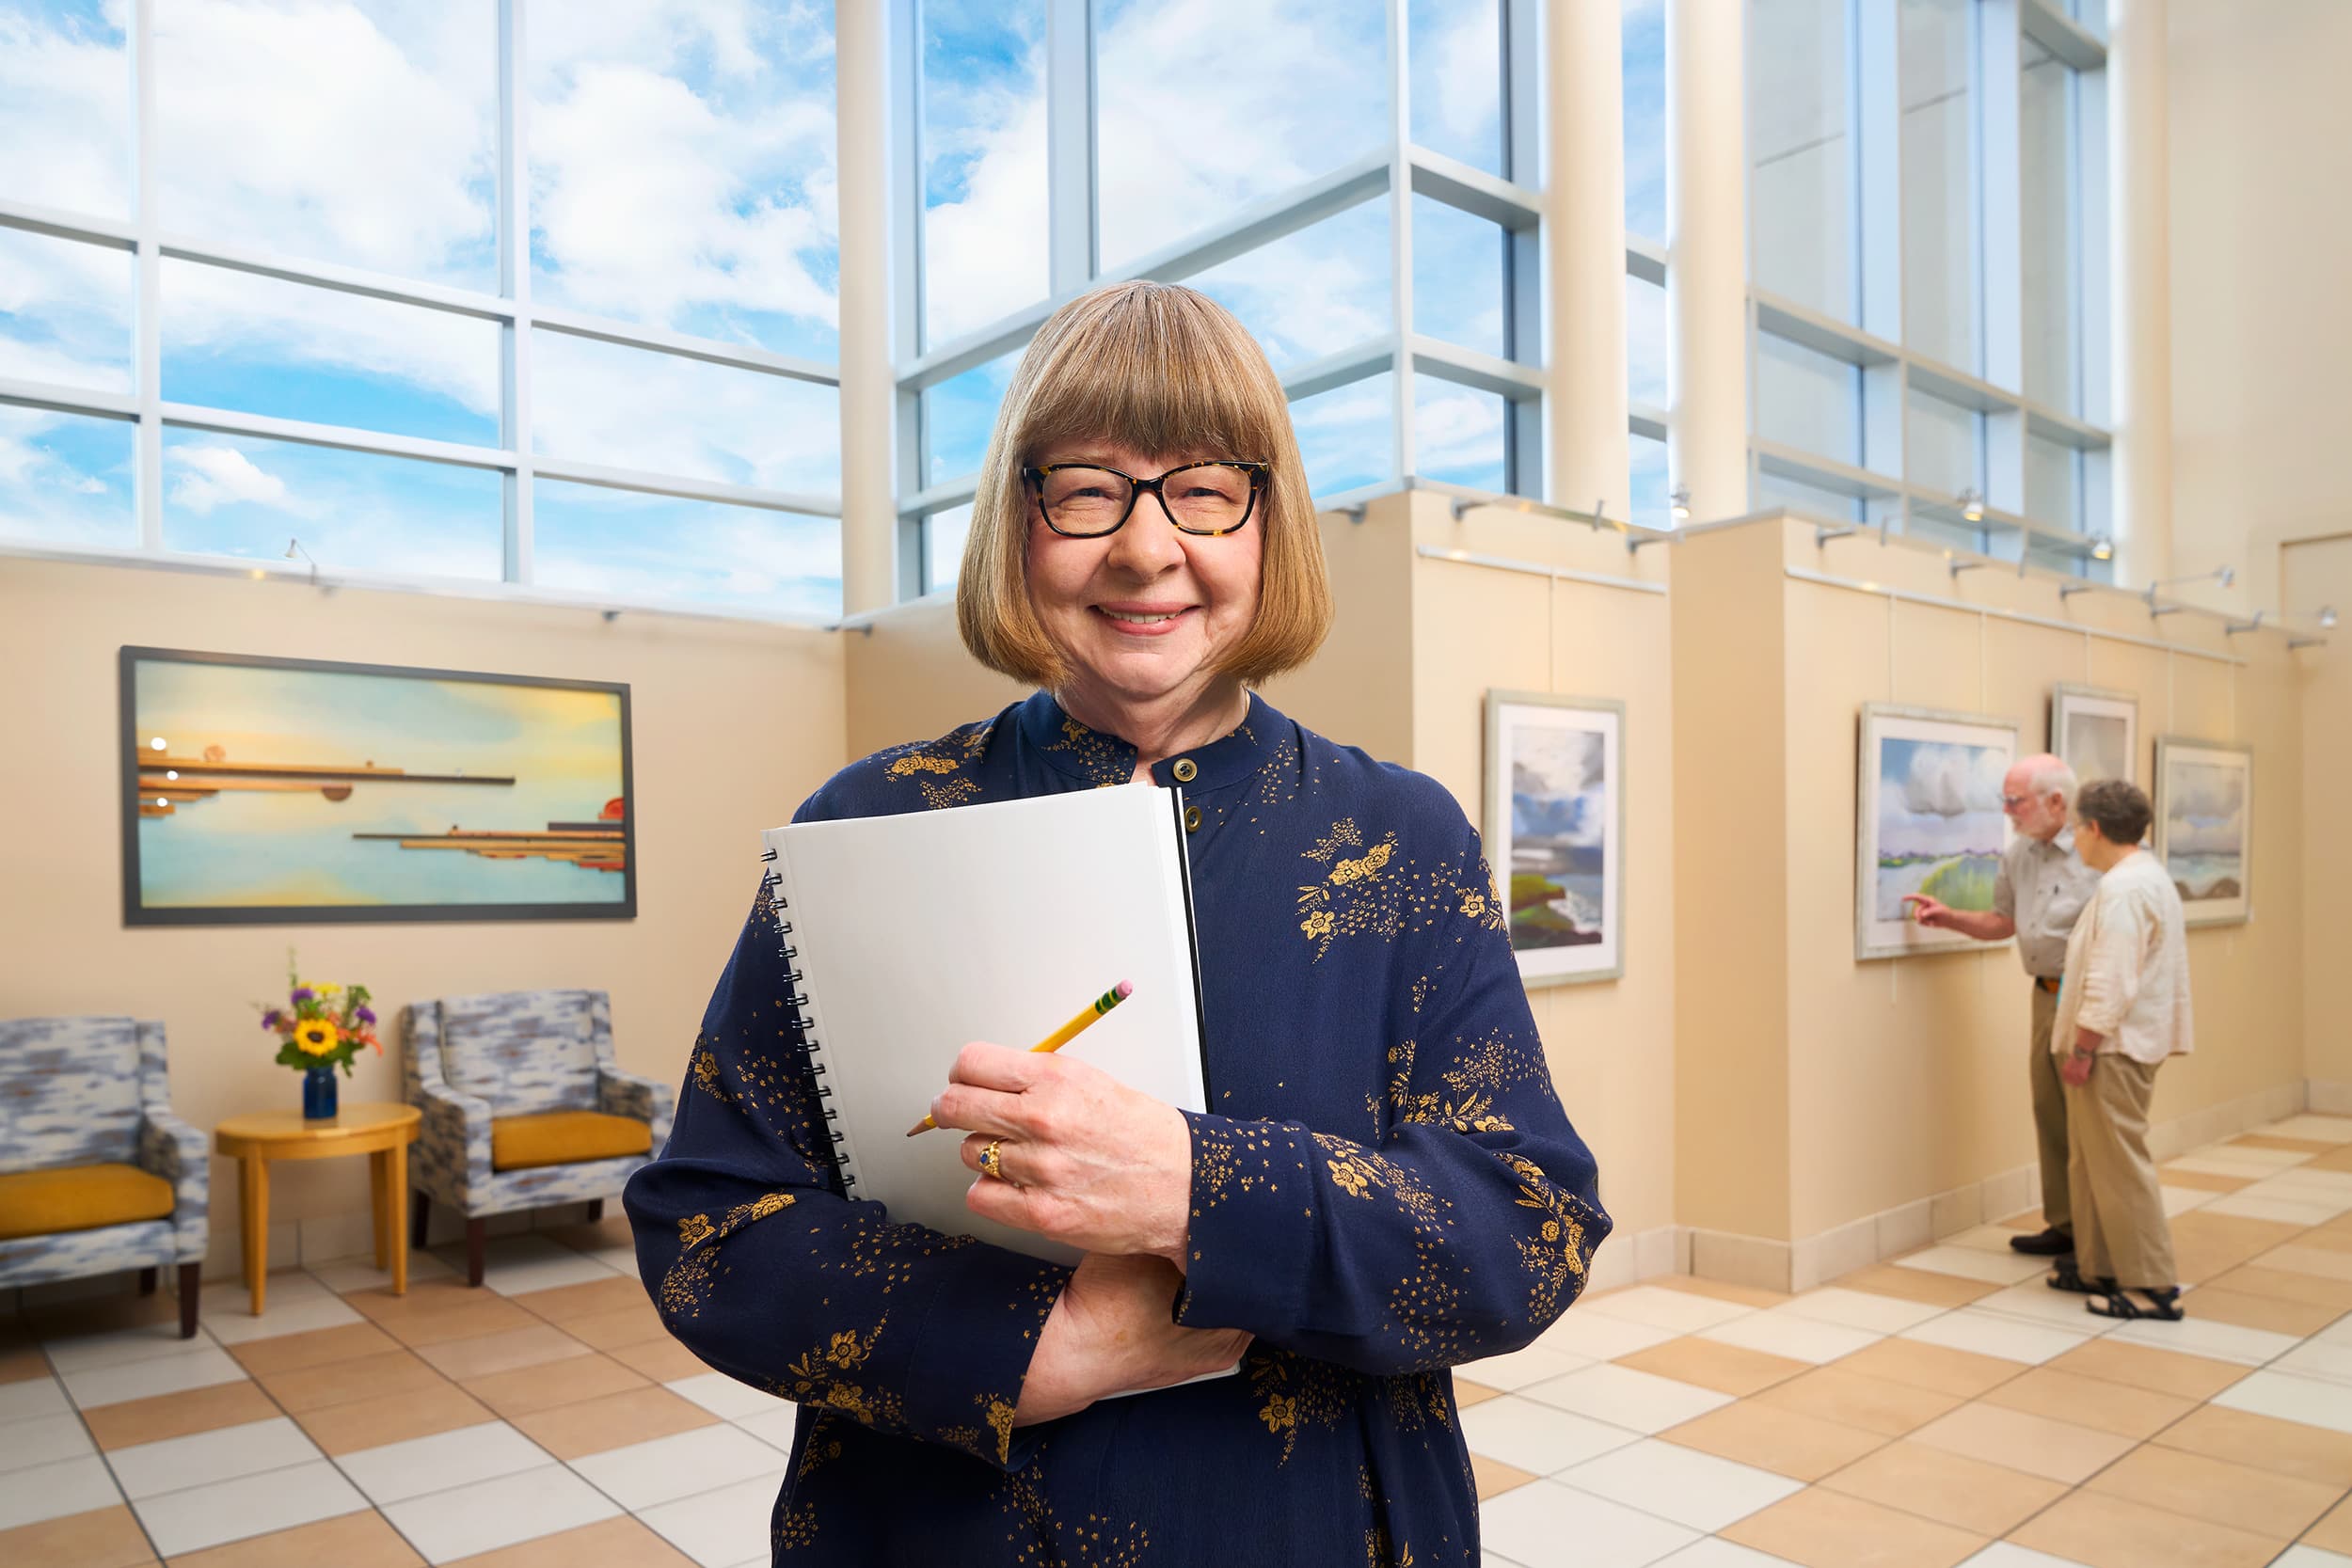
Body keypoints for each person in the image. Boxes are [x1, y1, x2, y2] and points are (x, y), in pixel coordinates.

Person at [625, 280, 1608, 1565]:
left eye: (1205, 488)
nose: (1148, 548)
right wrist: (1044, 1344)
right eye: (1087, 488)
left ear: (1269, 524)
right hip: (945, 1527)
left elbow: (1528, 1231)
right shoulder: (870, 818)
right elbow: (706, 1227)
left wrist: (1198, 1187)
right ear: (1016, 522)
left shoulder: (1402, 836)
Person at [1904, 754, 2097, 1261]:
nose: (2008, 811)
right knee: (2050, 1112)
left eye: (2016, 801)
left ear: (2057, 802)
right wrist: (1949, 919)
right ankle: (2066, 1224)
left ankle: (2100, 1235)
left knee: (2092, 1120)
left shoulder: (2099, 854)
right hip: (2045, 996)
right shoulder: (2019, 856)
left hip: (2088, 999)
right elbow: (2001, 922)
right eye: (2005, 800)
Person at [2046, 778, 2193, 1321]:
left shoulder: (2124, 890)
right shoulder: (2140, 878)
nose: (2074, 840)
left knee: (2120, 1166)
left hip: (2113, 1049)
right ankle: (2100, 1266)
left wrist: (2083, 1049)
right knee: (2093, 1163)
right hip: (2120, 1044)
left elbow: (2112, 982)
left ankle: (2151, 1285)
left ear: (2096, 828)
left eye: (2076, 828)